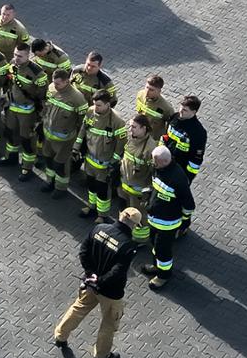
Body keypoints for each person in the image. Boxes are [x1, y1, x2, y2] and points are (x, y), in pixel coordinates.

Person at [53, 208, 145, 358]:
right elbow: (118, 272)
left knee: (79, 307)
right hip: (111, 292)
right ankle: (101, 356)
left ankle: (60, 336)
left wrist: (90, 275)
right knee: (109, 324)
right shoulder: (129, 246)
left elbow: (83, 252)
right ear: (135, 225)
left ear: (120, 216)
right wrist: (100, 281)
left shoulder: (99, 228)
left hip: (90, 283)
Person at [141, 147, 189, 289]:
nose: (152, 163)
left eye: (154, 161)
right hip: (155, 219)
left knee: (163, 250)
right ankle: (157, 267)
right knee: (154, 245)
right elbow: (155, 187)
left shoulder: (178, 178)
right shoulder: (159, 169)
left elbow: (189, 203)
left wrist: (185, 221)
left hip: (167, 224)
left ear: (162, 162)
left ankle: (163, 276)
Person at [0, 42, 47, 179]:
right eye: (15, 54)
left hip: (27, 112)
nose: (16, 58)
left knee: (27, 140)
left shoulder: (38, 73)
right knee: (10, 134)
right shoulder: (13, 64)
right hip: (12, 108)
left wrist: (40, 115)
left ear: (28, 55)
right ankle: (11, 158)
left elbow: (42, 96)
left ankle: (27, 167)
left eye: (20, 56)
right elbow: (9, 82)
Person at [38, 65, 88, 194]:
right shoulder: (51, 88)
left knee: (61, 165)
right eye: (54, 82)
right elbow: (46, 107)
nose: (55, 86)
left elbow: (82, 122)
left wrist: (77, 141)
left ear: (67, 81)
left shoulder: (77, 99)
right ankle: (50, 181)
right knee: (48, 160)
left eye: (58, 84)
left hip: (64, 140)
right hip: (48, 135)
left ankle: (60, 188)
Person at [79, 92, 127, 219]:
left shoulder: (117, 121)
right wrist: (76, 148)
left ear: (108, 104)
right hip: (89, 160)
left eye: (99, 105)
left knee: (102, 190)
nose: (95, 108)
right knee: (91, 186)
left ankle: (102, 215)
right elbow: (83, 129)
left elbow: (121, 144)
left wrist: (113, 162)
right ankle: (91, 206)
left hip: (104, 165)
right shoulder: (90, 112)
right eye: (94, 104)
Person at [164, 95, 207, 233]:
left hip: (180, 170)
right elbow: (167, 137)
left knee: (178, 199)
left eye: (185, 110)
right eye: (181, 108)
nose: (181, 112)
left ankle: (183, 225)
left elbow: (196, 159)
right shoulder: (175, 118)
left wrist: (188, 177)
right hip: (165, 165)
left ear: (194, 112)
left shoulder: (198, 132)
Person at [118, 114, 159, 243]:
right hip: (124, 185)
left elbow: (154, 173)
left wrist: (149, 192)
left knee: (139, 217)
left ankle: (140, 240)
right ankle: (125, 233)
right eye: (130, 126)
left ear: (144, 128)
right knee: (124, 213)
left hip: (138, 191)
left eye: (134, 127)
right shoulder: (130, 138)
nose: (130, 130)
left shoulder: (151, 149)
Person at [133, 74, 174, 141]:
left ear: (159, 91)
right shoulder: (140, 95)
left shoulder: (166, 107)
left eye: (151, 90)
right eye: (146, 87)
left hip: (153, 139)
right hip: (139, 134)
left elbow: (171, 126)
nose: (147, 91)